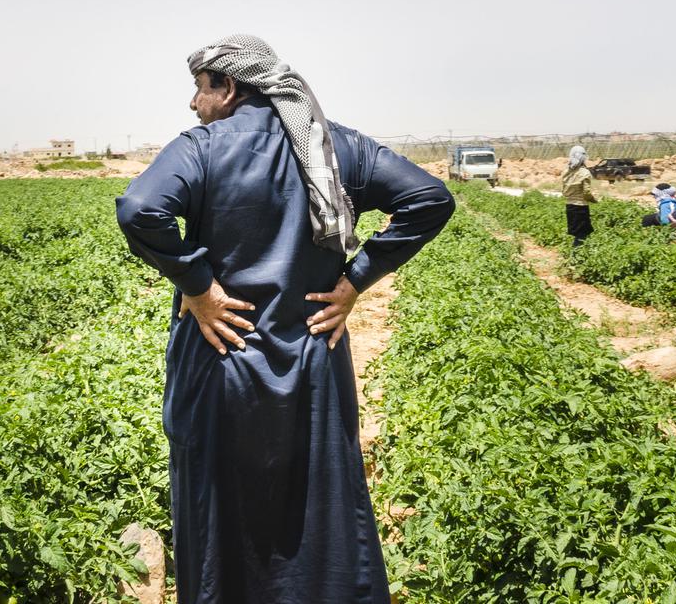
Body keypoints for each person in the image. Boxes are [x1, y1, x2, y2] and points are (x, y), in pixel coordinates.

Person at [116, 34, 454, 603]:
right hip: (311, 358)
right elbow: (429, 198)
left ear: (227, 88)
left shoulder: (200, 149)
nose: (193, 104)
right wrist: (353, 281)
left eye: (199, 88)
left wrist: (198, 288)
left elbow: (140, 208)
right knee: (318, 500)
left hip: (222, 360)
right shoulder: (334, 148)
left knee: (219, 506)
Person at [562, 145, 598, 246]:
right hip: (580, 207)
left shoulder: (566, 172)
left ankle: (578, 254)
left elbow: (564, 191)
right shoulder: (584, 172)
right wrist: (594, 200)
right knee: (582, 235)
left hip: (569, 206)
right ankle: (575, 257)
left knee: (579, 234)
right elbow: (586, 193)